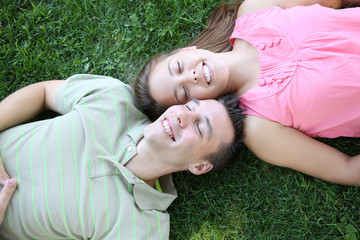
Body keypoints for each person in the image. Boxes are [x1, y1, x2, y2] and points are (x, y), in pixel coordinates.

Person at [133, 0, 360, 186]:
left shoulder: (254, 10)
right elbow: (346, 169)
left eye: (178, 67)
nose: (190, 76)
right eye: (183, 92)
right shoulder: (261, 129)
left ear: (186, 50)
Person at [0, 74, 244, 239]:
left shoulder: (144, 229)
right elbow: (44, 92)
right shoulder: (114, 98)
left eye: (200, 128)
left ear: (200, 166)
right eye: (190, 107)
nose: (183, 116)